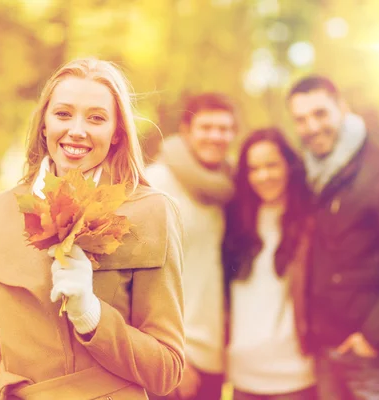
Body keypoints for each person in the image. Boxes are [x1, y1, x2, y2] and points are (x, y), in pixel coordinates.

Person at [0, 58, 185, 400]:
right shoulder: (3, 208)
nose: (77, 130)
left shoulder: (150, 211)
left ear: (117, 133)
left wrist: (92, 315)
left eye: (96, 118)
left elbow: (167, 371)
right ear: (43, 123)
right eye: (63, 114)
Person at [286, 75, 379, 400]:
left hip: (372, 355)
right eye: (301, 119)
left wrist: (373, 338)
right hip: (325, 350)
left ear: (342, 108)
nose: (312, 126)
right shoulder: (310, 174)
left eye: (320, 113)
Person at [146, 93, 238, 400]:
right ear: (186, 131)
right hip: (173, 353)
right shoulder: (156, 183)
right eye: (206, 127)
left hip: (214, 352)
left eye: (224, 129)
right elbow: (136, 278)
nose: (215, 136)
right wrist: (172, 353)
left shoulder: (230, 188)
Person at [222, 128, 317, 400]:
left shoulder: (311, 221)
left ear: (290, 165)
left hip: (296, 375)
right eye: (254, 168)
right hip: (244, 374)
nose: (263, 176)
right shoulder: (236, 220)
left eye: (271, 165)